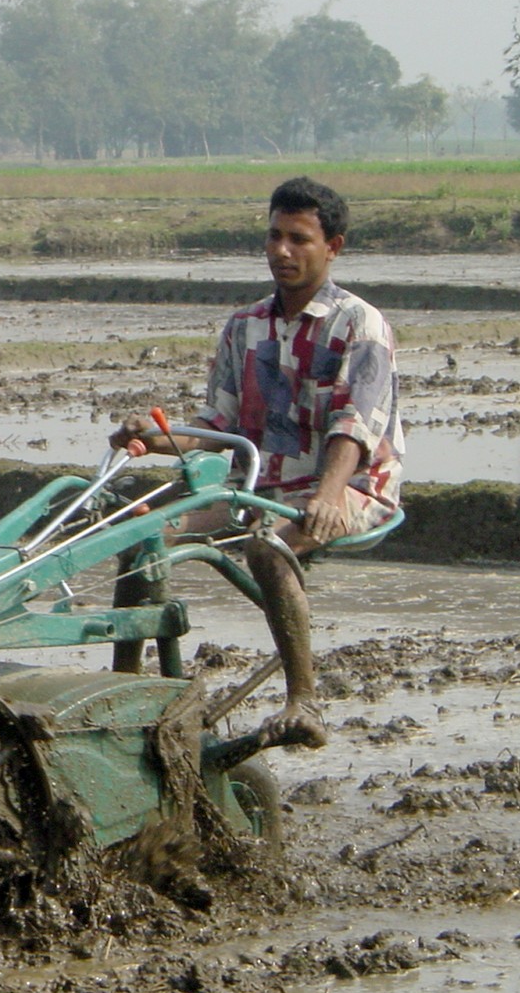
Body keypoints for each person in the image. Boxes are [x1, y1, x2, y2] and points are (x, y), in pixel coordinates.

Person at [113, 176, 403, 749]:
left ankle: (304, 701)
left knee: (268, 544)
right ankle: (122, 688)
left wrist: (325, 494)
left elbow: (355, 427)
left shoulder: (359, 326)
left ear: (333, 248)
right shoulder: (244, 327)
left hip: (349, 487)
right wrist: (153, 436)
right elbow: (217, 428)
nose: (281, 251)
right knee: (139, 536)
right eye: (274, 236)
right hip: (255, 485)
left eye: (298, 239)